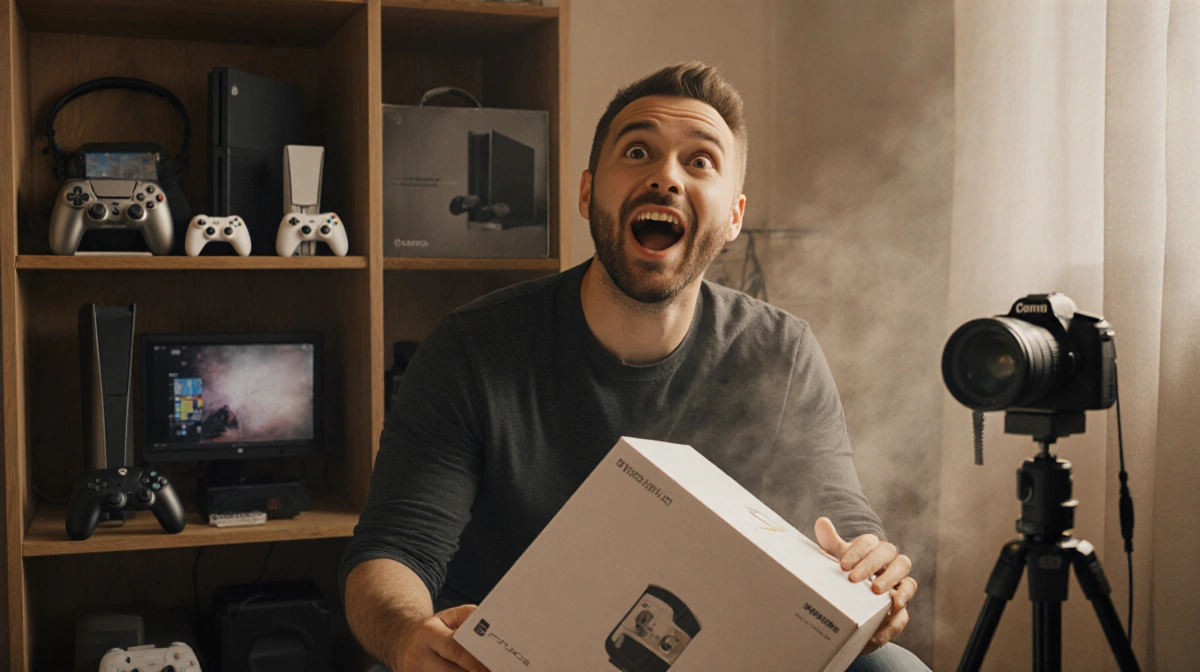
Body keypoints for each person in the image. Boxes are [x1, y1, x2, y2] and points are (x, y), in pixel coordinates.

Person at [341, 62, 927, 672]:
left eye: (700, 161)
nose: (666, 177)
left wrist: (870, 578)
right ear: (588, 193)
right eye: (639, 150)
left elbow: (841, 520)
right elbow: (393, 552)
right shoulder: (472, 348)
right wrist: (410, 632)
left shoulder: (781, 352)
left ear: (733, 216)